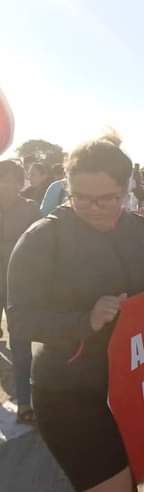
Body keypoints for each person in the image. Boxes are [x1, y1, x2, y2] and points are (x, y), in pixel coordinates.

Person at [7, 138, 144, 492]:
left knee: (138, 479)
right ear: (67, 187)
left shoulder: (143, 229)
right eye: (80, 198)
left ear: (127, 190)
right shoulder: (43, 238)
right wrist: (86, 320)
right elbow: (20, 319)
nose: (94, 208)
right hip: (70, 393)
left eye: (108, 198)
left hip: (136, 384)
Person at [0, 160, 41, 424]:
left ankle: (25, 403)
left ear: (19, 183)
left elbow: (42, 246)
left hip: (20, 287)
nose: (5, 185)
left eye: (11, 179)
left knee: (21, 344)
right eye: (1, 179)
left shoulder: (30, 209)